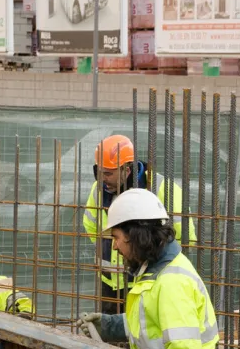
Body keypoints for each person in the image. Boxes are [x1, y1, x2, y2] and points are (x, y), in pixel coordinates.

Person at [78, 189, 222, 349]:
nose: (114, 246)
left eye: (116, 237)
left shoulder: (171, 282)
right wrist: (109, 325)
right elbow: (151, 323)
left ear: (134, 236)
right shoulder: (154, 270)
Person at [81, 135, 194, 315]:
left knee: (143, 332)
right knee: (110, 334)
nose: (102, 179)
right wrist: (115, 248)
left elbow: (184, 237)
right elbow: (90, 223)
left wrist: (150, 260)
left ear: (127, 170)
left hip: (148, 281)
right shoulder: (99, 189)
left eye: (108, 173)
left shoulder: (162, 188)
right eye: (99, 172)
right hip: (110, 282)